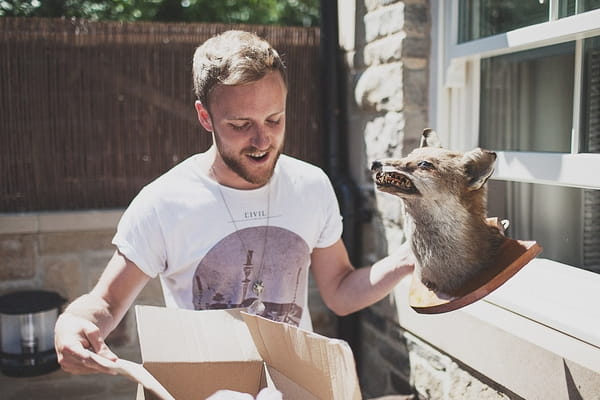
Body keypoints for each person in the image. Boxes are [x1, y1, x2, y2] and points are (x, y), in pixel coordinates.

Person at [54, 30, 414, 375]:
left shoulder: (312, 185)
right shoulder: (162, 203)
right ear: (205, 117)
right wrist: (74, 323)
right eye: (241, 124)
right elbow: (106, 303)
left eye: (274, 119)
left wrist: (407, 258)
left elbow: (339, 291)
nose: (262, 139)